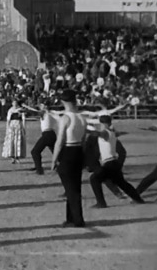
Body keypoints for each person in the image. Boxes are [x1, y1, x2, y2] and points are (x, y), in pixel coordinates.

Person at [87, 116, 144, 208]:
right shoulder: (112, 133)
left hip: (109, 163)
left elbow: (97, 133)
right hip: (114, 163)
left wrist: (85, 129)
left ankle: (101, 203)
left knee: (94, 179)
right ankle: (138, 199)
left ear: (102, 123)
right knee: (122, 183)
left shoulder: (105, 133)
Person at [51, 90, 86, 228]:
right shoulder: (81, 117)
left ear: (63, 102)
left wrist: (54, 159)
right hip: (78, 150)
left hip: (68, 150)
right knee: (74, 186)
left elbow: (60, 141)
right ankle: (71, 217)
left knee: (70, 188)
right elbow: (84, 139)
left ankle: (78, 219)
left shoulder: (65, 118)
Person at [23, 102, 61, 175]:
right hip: (51, 134)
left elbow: (34, 111)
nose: (41, 107)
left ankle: (39, 169)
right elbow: (34, 111)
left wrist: (26, 106)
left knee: (35, 152)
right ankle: (59, 167)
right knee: (56, 153)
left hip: (48, 134)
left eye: (42, 105)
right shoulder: (46, 113)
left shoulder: (48, 113)